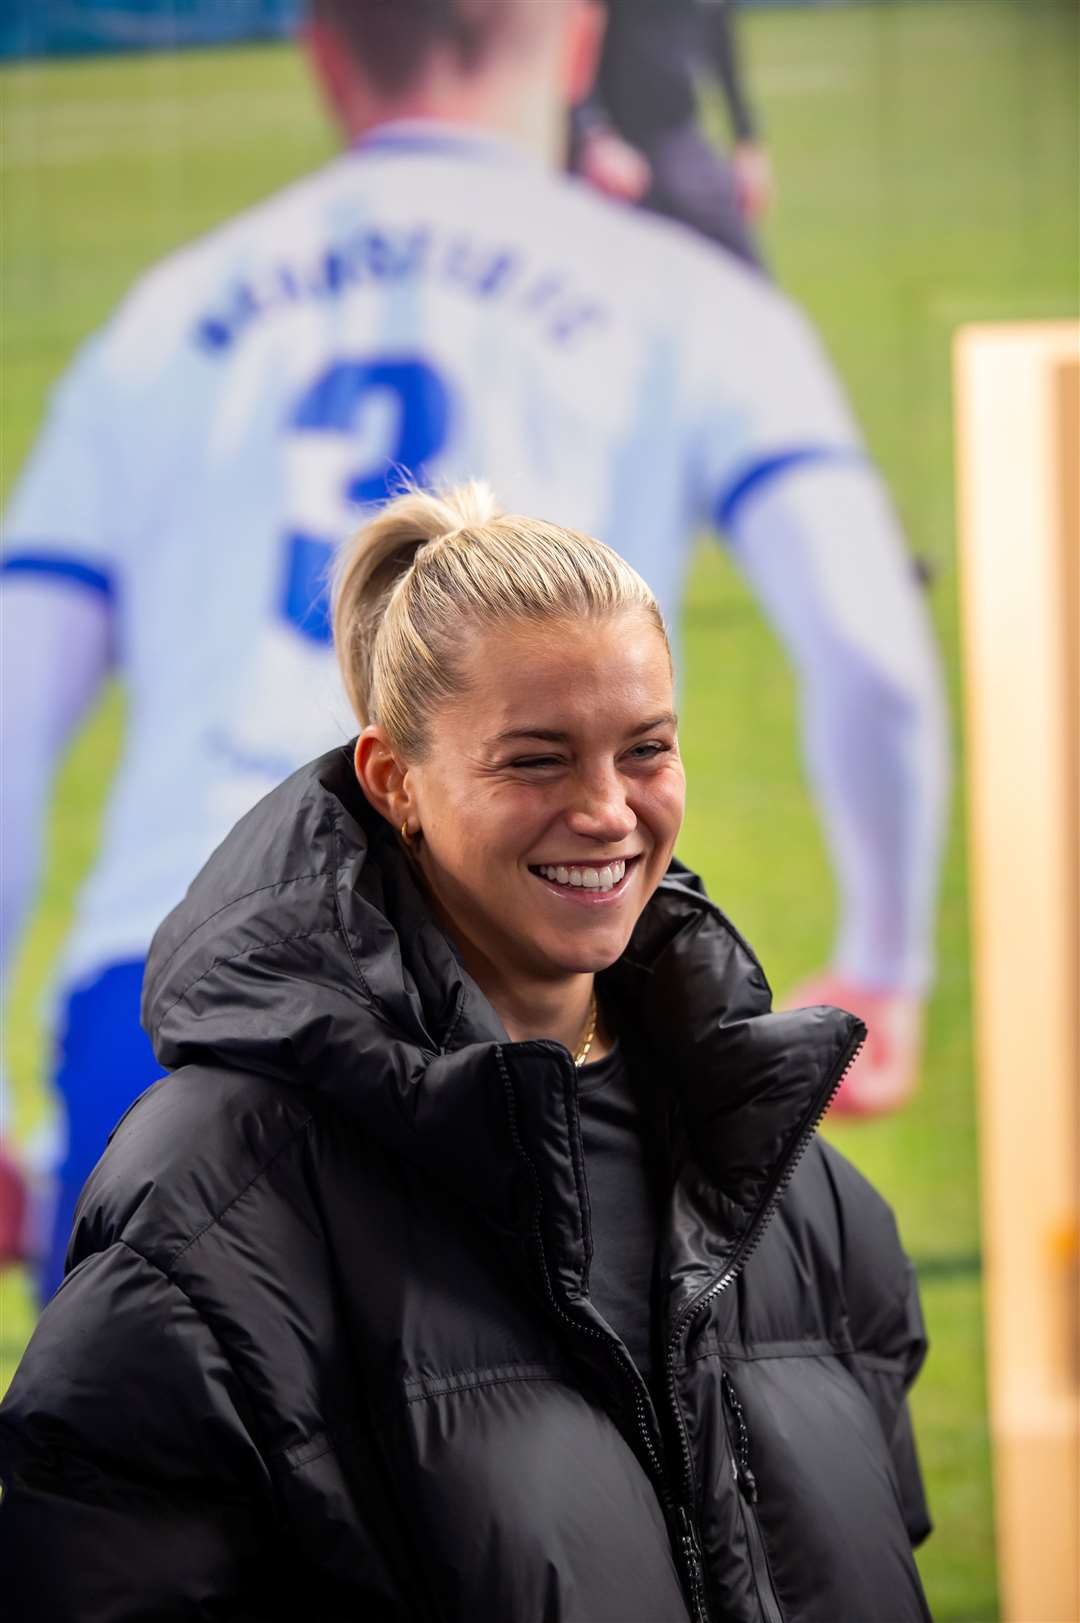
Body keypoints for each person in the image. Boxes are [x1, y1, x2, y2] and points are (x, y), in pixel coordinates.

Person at [1, 0, 947, 1302]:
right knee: (533, 1498)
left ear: (323, 49)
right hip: (514, 996)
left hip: (166, 1003)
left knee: (131, 1496)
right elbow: (871, 651)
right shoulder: (687, 298)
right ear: (575, 43)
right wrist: (885, 963)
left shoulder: (160, 322)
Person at [0, 484, 932, 1622]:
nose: (607, 810)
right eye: (537, 761)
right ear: (394, 780)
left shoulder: (800, 1197)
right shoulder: (211, 1203)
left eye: (645, 749)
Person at [570, 0, 773, 271]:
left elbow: (721, 36)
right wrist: (593, 135)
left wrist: (747, 142)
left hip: (677, 137)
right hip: (606, 149)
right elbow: (569, 34)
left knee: (745, 277)